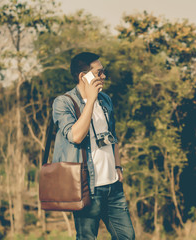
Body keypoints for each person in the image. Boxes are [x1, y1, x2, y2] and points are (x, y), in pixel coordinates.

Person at [52, 52, 135, 240]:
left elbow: (113, 136)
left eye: (103, 72)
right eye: (99, 73)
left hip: (112, 186)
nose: (103, 77)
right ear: (84, 76)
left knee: (127, 236)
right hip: (86, 188)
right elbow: (76, 136)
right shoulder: (63, 102)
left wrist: (118, 166)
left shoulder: (105, 100)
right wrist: (90, 100)